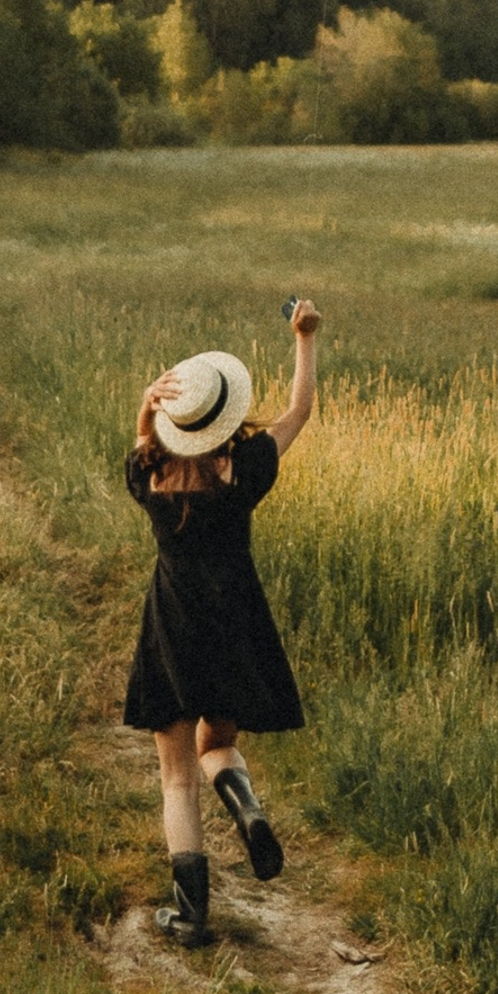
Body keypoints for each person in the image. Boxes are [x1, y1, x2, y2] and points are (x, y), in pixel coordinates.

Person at [123, 299, 321, 946]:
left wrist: (149, 406)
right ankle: (250, 813)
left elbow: (141, 445)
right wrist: (304, 339)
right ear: (225, 417)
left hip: (174, 630)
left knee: (178, 774)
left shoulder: (149, 477)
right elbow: (299, 413)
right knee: (218, 744)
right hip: (238, 626)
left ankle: (189, 915)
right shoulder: (246, 471)